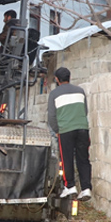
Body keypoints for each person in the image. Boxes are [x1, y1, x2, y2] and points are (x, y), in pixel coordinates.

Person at [47, 67, 92, 202]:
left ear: (56, 79)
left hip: (65, 130)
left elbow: (51, 116)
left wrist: (56, 130)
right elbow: (85, 110)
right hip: (82, 128)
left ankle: (70, 186)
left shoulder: (54, 94)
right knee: (83, 158)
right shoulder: (80, 91)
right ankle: (86, 188)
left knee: (66, 158)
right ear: (69, 77)